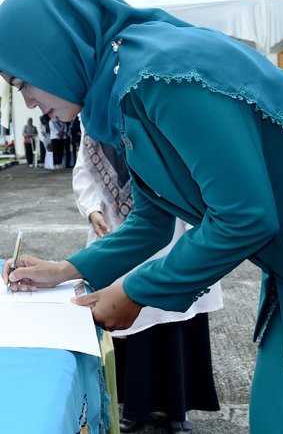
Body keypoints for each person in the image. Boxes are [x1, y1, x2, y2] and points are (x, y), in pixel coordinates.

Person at [0, 0, 283, 433]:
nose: (27, 101)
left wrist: (135, 291)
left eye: (20, 80)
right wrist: (69, 270)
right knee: (279, 412)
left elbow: (244, 217)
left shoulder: (162, 73)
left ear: (51, 49)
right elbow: (152, 220)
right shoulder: (124, 92)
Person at [73, 133, 222, 433]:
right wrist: (92, 209)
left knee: (173, 317)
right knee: (127, 321)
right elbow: (85, 169)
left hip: (172, 227)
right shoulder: (92, 119)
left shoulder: (149, 104)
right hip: (116, 228)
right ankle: (135, 406)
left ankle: (177, 407)